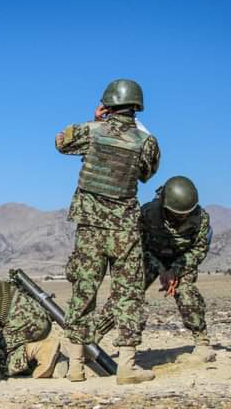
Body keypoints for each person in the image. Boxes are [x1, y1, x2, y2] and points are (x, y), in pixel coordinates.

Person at [55, 78, 160, 384]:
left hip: (90, 228)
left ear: (108, 105)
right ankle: (127, 366)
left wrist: (95, 119)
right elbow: (147, 173)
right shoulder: (146, 142)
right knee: (128, 295)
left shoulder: (91, 131)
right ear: (136, 107)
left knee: (83, 293)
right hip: (125, 229)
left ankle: (75, 366)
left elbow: (60, 142)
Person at [93, 176, 215, 362]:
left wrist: (175, 270)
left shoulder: (201, 219)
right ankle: (92, 338)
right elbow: (137, 246)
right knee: (125, 294)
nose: (183, 217)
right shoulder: (148, 213)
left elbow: (199, 250)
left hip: (181, 262)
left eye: (186, 214)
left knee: (187, 293)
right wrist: (160, 268)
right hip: (150, 257)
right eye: (178, 214)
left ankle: (202, 341)